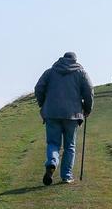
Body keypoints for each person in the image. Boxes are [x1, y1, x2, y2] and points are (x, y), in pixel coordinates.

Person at [34, 52, 93, 185]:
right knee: (69, 146)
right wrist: (87, 109)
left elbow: (39, 88)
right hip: (72, 115)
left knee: (53, 143)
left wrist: (43, 104)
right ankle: (66, 176)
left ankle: (51, 163)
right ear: (75, 60)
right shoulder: (81, 73)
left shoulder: (50, 72)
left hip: (52, 113)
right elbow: (89, 91)